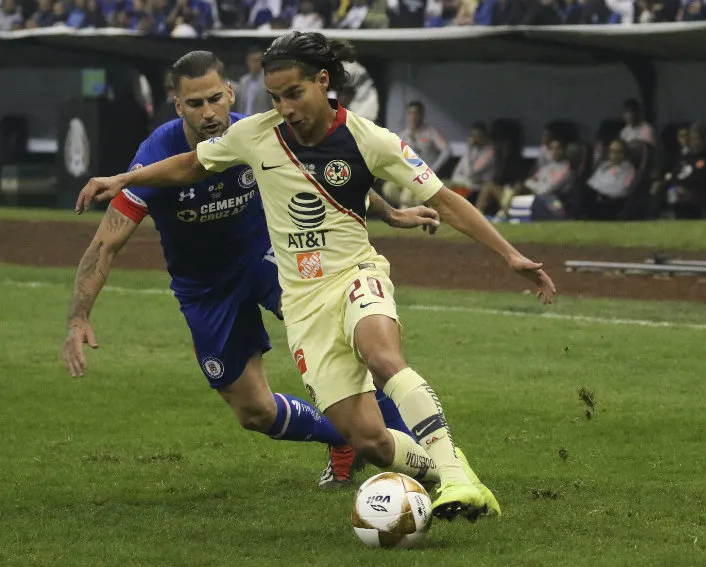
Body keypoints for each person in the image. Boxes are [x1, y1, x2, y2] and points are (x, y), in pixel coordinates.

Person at [76, 33, 556, 521]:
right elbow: (185, 170)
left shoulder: (366, 137)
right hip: (265, 296)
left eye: (293, 94)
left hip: (334, 270)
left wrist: (507, 253)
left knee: (381, 356)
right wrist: (125, 179)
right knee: (340, 432)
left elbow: (425, 195)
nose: (285, 107)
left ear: (320, 82)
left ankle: (455, 475)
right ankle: (433, 467)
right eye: (276, 97)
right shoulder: (250, 136)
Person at [62, 50, 443, 489]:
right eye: (194, 104)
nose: (208, 113)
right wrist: (78, 317)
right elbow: (105, 244)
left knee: (355, 341)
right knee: (254, 412)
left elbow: (326, 174)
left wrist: (390, 213)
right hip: (204, 288)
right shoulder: (154, 157)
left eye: (214, 99)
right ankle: (343, 436)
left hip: (270, 259)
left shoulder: (258, 133)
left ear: (229, 93)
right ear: (177, 105)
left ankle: (427, 461)